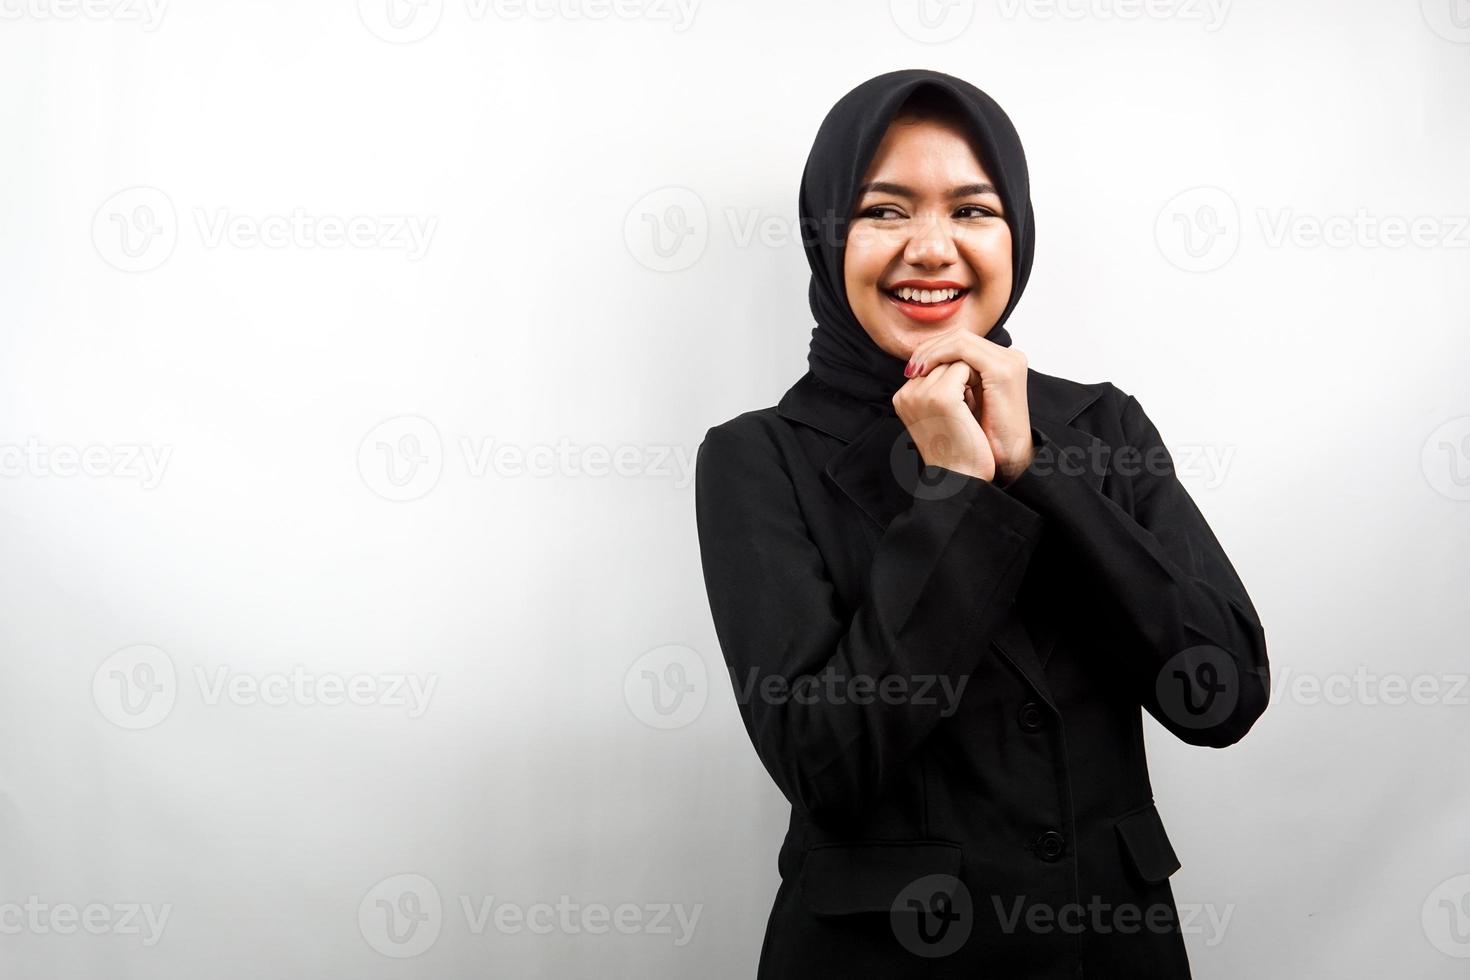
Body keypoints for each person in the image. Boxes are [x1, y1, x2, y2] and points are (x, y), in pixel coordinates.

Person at [693, 68, 1271, 978]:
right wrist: (956, 493)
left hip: (1107, 950)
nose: (932, 247)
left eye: (972, 210)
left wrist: (1037, 469)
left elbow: (1223, 695)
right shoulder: (759, 457)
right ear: (829, 234)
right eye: (886, 211)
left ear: (1018, 236)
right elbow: (828, 765)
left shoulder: (1101, 426)